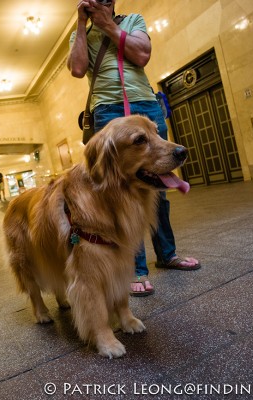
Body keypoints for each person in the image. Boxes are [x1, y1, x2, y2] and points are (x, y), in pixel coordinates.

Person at [67, 0, 200, 297]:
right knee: (119, 193)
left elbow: (141, 55)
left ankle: (167, 254)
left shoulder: (133, 21)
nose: (105, 2)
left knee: (160, 184)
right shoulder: (81, 34)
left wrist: (108, 26)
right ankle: (135, 269)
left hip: (144, 105)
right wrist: (80, 23)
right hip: (107, 111)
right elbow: (77, 69)